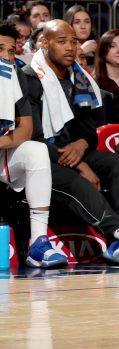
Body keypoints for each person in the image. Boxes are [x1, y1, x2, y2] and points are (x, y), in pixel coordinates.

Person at [23, 21, 119, 266]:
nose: (69, 47)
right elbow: (32, 138)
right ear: (44, 44)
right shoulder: (30, 78)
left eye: (73, 42)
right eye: (62, 41)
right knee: (78, 180)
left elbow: (90, 134)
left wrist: (81, 145)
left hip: (73, 152)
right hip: (41, 158)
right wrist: (80, 164)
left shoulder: (81, 79)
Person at [0, 24, 69, 268]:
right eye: (0, 49)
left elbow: (26, 129)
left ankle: (38, 244)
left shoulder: (16, 75)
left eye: (11, 51)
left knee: (37, 150)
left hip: (3, 153)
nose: (7, 56)